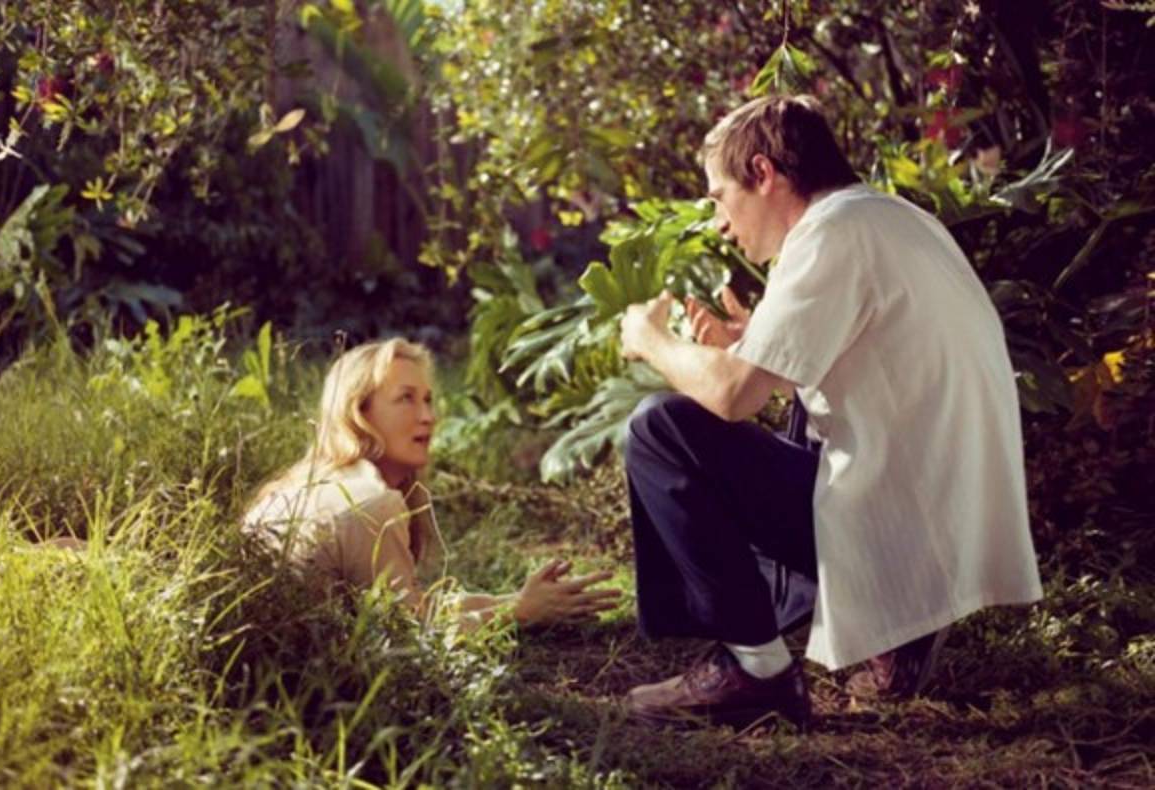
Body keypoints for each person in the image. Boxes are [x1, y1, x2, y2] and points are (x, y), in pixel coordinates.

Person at [618, 95, 1042, 729]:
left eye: (719, 198)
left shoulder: (829, 232)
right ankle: (896, 624)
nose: (720, 224)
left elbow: (733, 397)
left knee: (659, 429)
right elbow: (870, 369)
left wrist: (650, 340)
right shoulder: (892, 218)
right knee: (788, 419)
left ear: (763, 173)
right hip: (943, 519)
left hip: (900, 522)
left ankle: (755, 668)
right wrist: (747, 345)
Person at [242, 338, 621, 630]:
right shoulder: (370, 501)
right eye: (405, 399)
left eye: (427, 400)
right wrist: (520, 613)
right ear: (359, 413)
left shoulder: (316, 481)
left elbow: (411, 607)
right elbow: (411, 635)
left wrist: (517, 599)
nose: (427, 416)